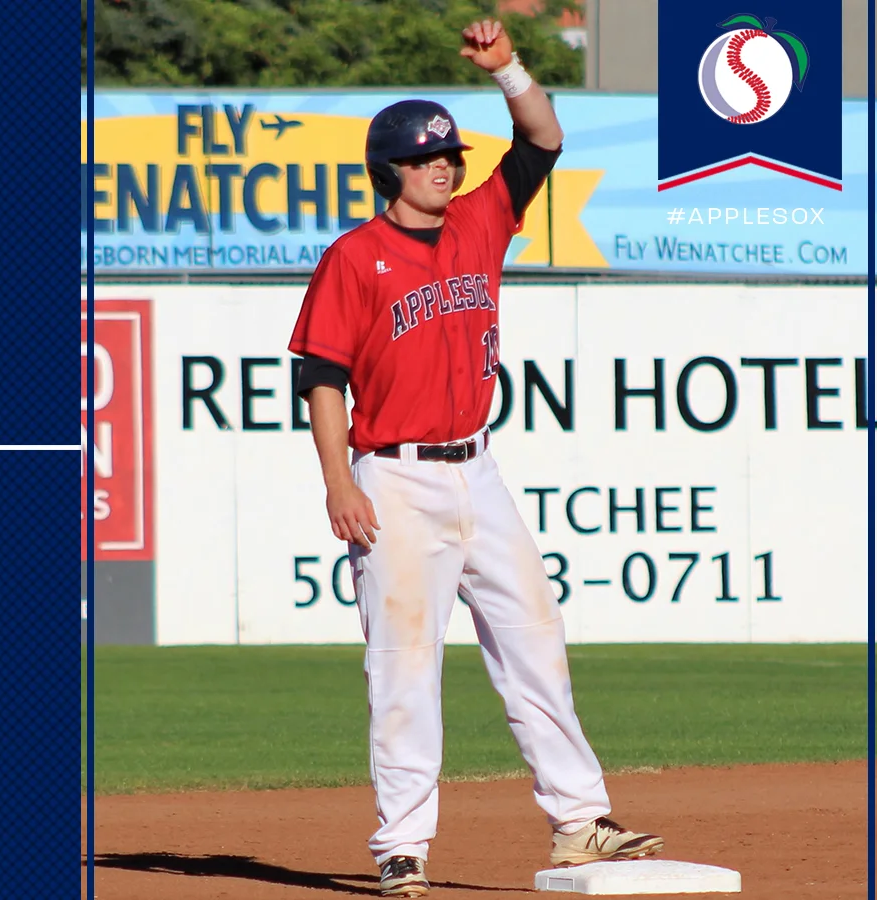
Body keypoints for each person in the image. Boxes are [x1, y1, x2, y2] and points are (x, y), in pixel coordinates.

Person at [287, 19, 663, 899]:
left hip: (478, 470)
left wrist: (509, 70)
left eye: (449, 155)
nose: (443, 167)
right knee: (404, 666)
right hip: (394, 477)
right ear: (390, 170)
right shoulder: (353, 258)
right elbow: (322, 378)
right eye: (425, 158)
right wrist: (338, 482)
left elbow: (545, 138)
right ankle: (402, 848)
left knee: (535, 638)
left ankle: (580, 822)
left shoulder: (482, 219)